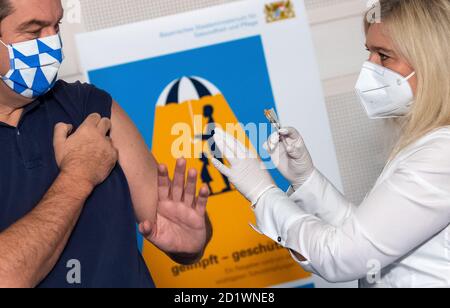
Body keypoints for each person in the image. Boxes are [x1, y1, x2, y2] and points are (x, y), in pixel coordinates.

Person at [212, 0, 450, 288]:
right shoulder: (430, 144)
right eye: (369, 52)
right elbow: (366, 236)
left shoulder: (441, 155)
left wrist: (263, 193)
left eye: (384, 56)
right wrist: (307, 181)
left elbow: (342, 255)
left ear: (431, 62)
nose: (369, 67)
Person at [0, 0, 211, 288]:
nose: (52, 45)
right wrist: (78, 175)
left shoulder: (88, 105)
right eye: (34, 32)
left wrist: (189, 242)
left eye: (56, 26)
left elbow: (166, 219)